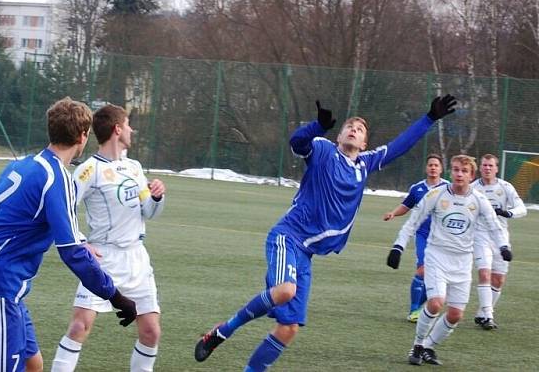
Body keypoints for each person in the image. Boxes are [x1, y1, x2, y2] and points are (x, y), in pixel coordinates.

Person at [194, 95, 457, 371]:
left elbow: (399, 147)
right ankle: (223, 332)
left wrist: (429, 119)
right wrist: (316, 127)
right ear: (339, 135)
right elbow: (297, 142)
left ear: (364, 143)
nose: (354, 130)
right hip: (288, 236)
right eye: (349, 126)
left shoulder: (365, 164)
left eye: (360, 129)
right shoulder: (322, 150)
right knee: (284, 291)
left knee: (289, 329)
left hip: (306, 252)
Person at [0, 98, 137, 372]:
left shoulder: (22, 165)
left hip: (1, 286)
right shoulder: (57, 178)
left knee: (32, 364)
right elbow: (72, 253)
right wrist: (116, 297)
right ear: (83, 136)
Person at [51, 104, 166, 372]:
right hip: (104, 258)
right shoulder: (89, 170)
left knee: (151, 331)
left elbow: (148, 210)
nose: (131, 129)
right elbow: (63, 208)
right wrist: (80, 241)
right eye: (127, 124)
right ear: (117, 130)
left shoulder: (135, 168)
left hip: (136, 257)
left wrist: (157, 196)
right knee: (80, 326)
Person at [387, 155, 511, 366]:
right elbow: (413, 222)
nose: (459, 174)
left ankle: (428, 347)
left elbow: (494, 225)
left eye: (464, 171)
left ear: (471, 175)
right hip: (437, 256)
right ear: (450, 172)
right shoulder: (436, 195)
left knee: (455, 315)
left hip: (462, 262)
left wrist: (504, 247)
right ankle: (417, 345)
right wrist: (398, 246)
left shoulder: (479, 200)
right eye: (455, 170)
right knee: (436, 303)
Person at [383, 154, 449, 322]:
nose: (433, 168)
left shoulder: (448, 188)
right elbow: (406, 206)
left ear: (441, 169)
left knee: (439, 274)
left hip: (443, 237)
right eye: (430, 165)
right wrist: (393, 213)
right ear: (426, 168)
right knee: (423, 270)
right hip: (422, 234)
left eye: (436, 165)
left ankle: (422, 307)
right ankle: (414, 310)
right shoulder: (417, 188)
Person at [470, 153, 526, 330]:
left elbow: (522, 209)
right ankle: (488, 316)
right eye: (484, 165)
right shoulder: (472, 187)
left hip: (500, 237)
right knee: (485, 274)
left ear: (496, 168)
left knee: (498, 279)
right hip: (480, 236)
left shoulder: (505, 187)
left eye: (490, 166)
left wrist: (508, 213)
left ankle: (482, 312)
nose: (487, 168)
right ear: (480, 167)